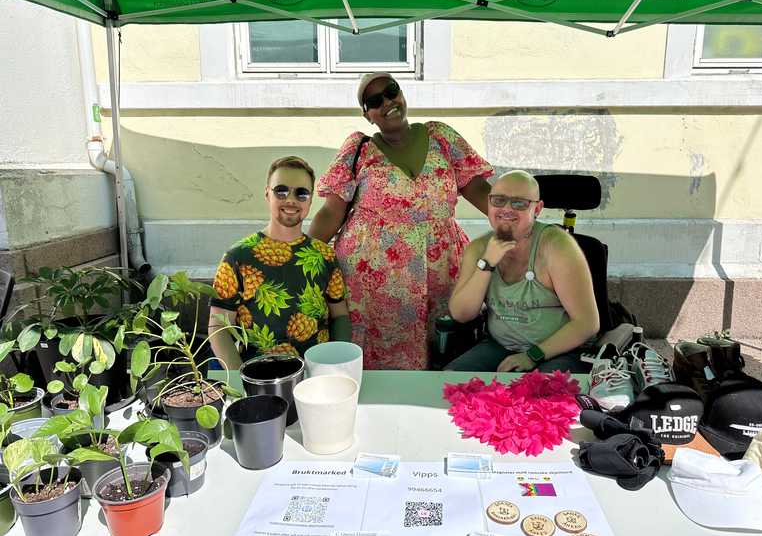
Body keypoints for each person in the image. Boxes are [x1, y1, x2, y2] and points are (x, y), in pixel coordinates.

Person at [308, 72, 493, 370]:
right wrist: (299, 258)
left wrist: (521, 224)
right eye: (374, 101)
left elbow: (481, 191)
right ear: (367, 115)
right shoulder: (359, 150)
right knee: (376, 362)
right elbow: (331, 212)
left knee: (445, 352)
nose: (387, 102)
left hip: (441, 271)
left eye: (391, 91)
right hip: (370, 283)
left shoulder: (442, 138)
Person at [446, 170, 599, 373]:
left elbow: (587, 323)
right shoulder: (479, 248)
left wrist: (533, 355)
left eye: (519, 203)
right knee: (452, 382)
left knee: (542, 395)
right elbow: (461, 314)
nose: (506, 209)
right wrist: (487, 262)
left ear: (537, 209)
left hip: (559, 350)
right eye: (498, 200)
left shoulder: (558, 246)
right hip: (501, 346)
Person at [209, 156, 351, 370]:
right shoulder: (238, 257)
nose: (291, 200)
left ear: (311, 200)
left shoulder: (324, 256)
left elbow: (339, 314)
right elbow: (218, 325)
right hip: (259, 377)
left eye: (301, 193)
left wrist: (338, 364)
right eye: (281, 191)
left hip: (316, 375)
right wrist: (240, 380)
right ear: (267, 194)